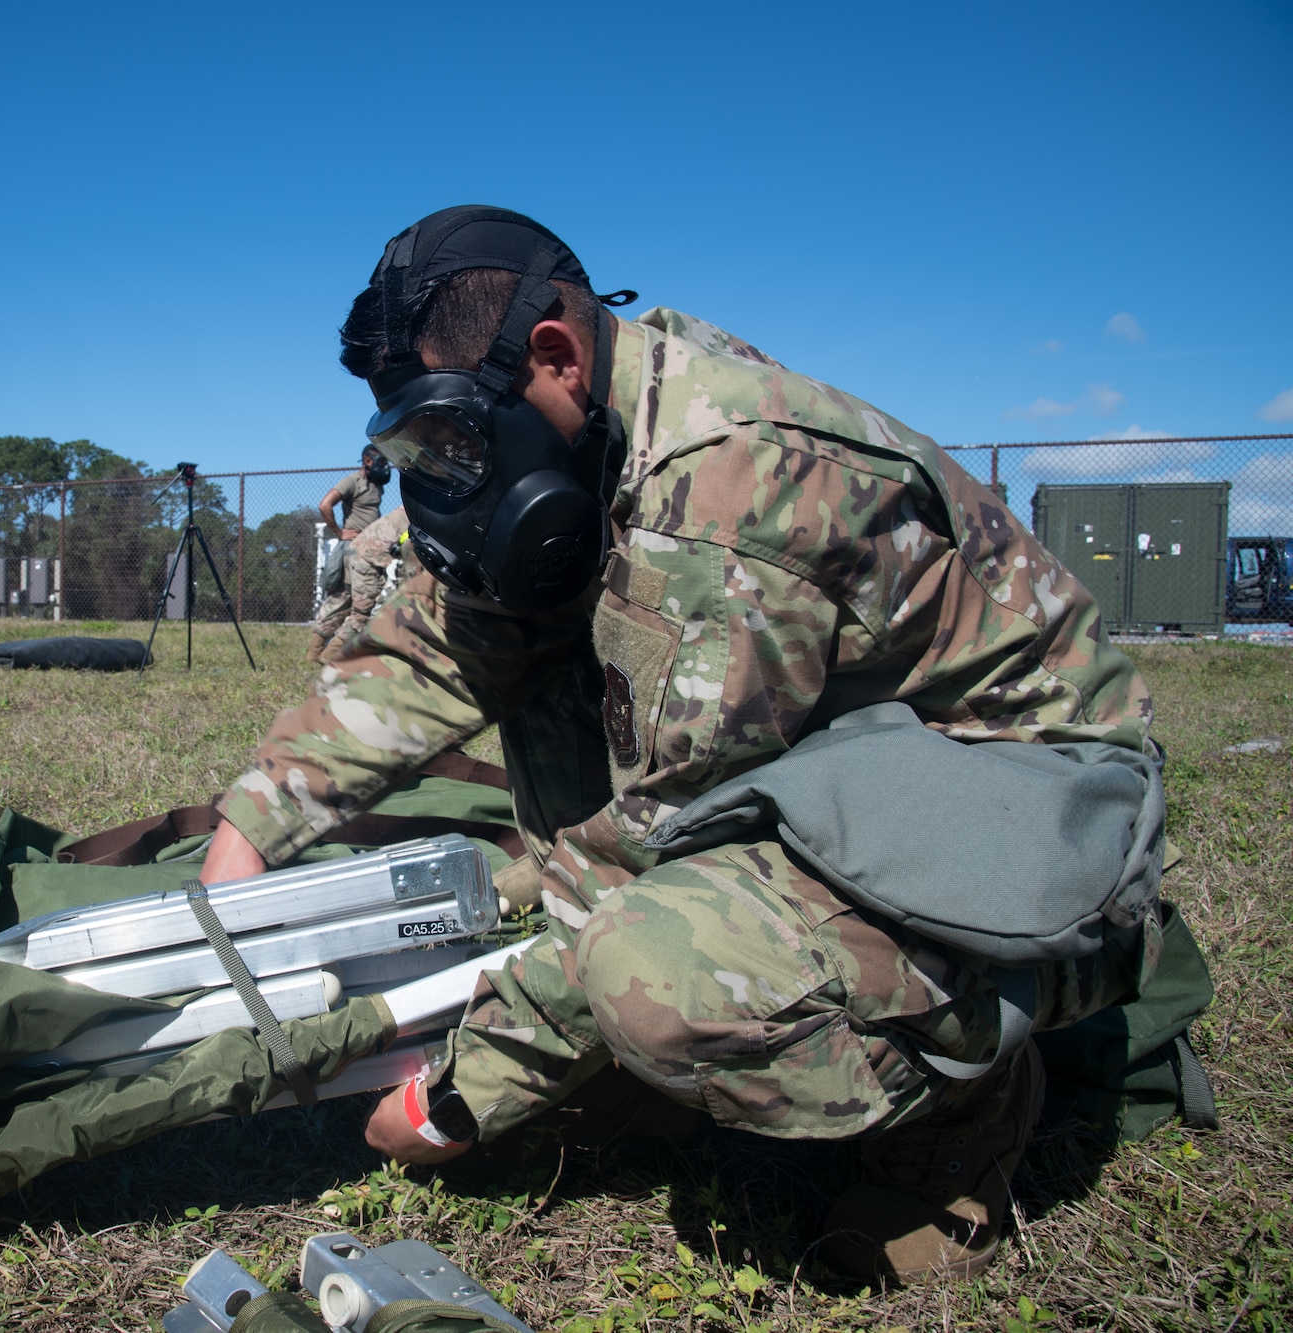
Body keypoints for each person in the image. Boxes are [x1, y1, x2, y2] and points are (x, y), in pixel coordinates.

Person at [200, 206, 1159, 1284]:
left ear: (554, 354)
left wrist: (457, 1093)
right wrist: (253, 825)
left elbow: (654, 830)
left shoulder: (731, 485)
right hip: (849, 771)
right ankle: (651, 1041)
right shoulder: (595, 421)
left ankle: (965, 1099)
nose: (442, 472)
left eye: (453, 438)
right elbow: (444, 644)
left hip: (1024, 816)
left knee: (649, 969)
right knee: (548, 658)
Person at [308, 446, 393, 661]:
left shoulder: (376, 486)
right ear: (367, 461)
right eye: (381, 462)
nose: (385, 467)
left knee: (346, 600)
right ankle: (323, 654)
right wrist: (339, 532)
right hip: (355, 550)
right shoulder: (352, 481)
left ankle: (317, 654)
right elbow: (325, 504)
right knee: (352, 601)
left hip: (369, 550)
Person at [317, 503, 410, 664]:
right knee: (361, 614)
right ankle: (328, 659)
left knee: (345, 604)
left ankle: (319, 654)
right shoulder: (420, 517)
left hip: (361, 553)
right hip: (368, 560)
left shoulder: (409, 509)